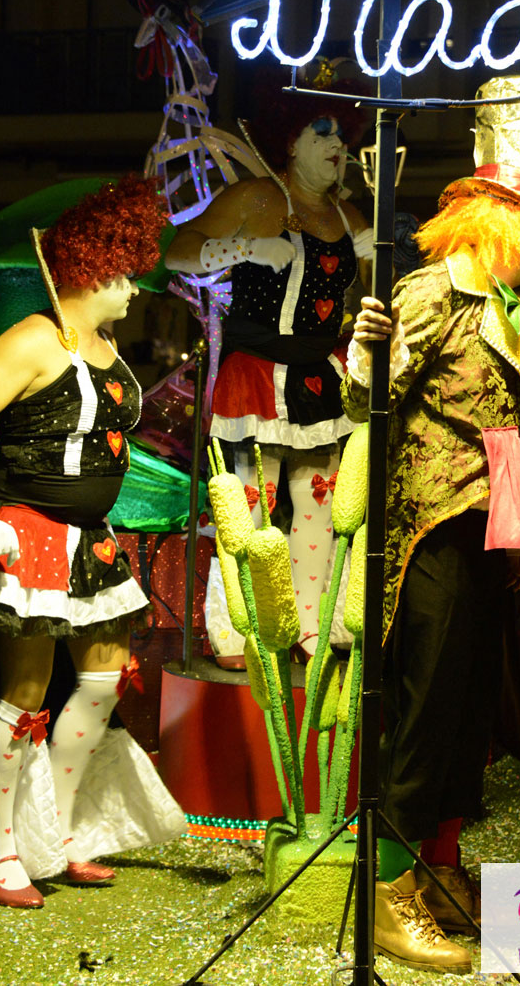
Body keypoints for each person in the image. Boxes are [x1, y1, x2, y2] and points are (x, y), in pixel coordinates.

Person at [343, 75, 520, 973]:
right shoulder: (430, 292)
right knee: (426, 709)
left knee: (468, 711)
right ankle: (389, 892)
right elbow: (365, 401)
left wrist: (518, 537)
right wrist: (364, 348)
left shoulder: (509, 311)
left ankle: (439, 866)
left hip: (487, 532)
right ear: (495, 224)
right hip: (433, 530)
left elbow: (512, 431)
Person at [0, 176, 185, 909]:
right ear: (93, 270)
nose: (136, 290)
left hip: (94, 543)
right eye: (127, 275)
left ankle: (60, 830)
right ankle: (3, 848)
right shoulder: (31, 340)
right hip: (32, 537)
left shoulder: (106, 345)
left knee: (103, 683)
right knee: (21, 696)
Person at [166, 68, 372, 657]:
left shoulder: (350, 216)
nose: (337, 146)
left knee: (319, 504)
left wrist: (381, 254)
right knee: (247, 510)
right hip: (256, 374)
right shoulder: (258, 198)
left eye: (343, 135)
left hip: (321, 376)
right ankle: (232, 628)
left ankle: (308, 626)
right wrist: (245, 247)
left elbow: (375, 292)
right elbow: (177, 252)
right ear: (290, 140)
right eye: (322, 132)